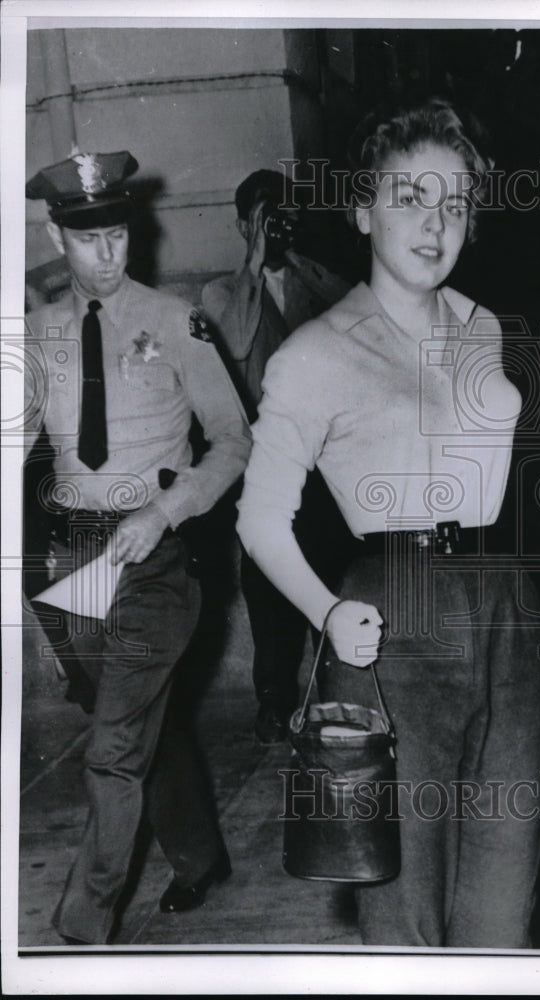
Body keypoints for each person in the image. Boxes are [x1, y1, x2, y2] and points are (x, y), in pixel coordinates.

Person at [236, 100, 540, 947]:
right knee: (401, 896)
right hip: (391, 617)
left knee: (505, 893)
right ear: (363, 208)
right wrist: (325, 613)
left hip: (508, 609)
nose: (434, 222)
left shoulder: (486, 328)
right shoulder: (315, 353)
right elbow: (261, 517)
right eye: (409, 197)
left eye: (454, 203)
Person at [24, 150, 252, 945]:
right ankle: (198, 858)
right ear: (58, 235)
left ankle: (82, 927)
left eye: (119, 235)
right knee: (133, 715)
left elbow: (233, 441)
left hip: (159, 557)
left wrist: (167, 510)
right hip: (76, 564)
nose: (108, 254)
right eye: (89, 240)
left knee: (113, 746)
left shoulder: (178, 319)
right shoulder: (36, 332)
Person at [202, 170, 354, 744]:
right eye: (264, 217)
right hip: (266, 462)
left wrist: (293, 255)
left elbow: (359, 315)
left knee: (331, 572)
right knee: (268, 586)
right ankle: (275, 699)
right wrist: (255, 261)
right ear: (244, 225)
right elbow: (236, 341)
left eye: (283, 213)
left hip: (326, 461)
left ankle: (339, 691)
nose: (276, 225)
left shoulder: (314, 280)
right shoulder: (222, 292)